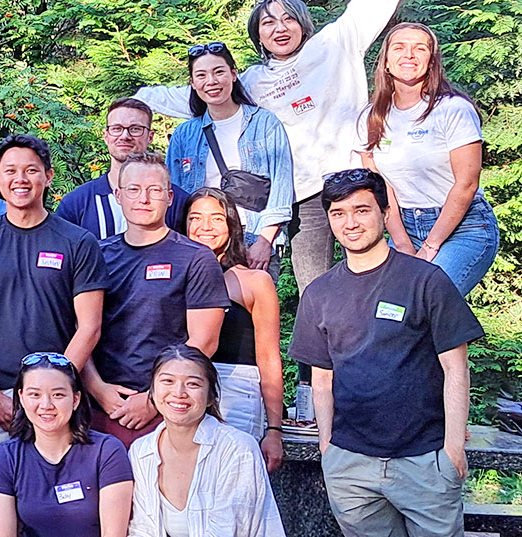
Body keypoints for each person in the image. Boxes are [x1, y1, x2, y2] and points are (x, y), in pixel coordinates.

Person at [136, 0, 404, 290]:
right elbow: (199, 95)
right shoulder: (254, 82)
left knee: (375, 273)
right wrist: (139, 100)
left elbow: (375, 7)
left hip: (352, 182)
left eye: (288, 19)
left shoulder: (336, 42)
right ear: (258, 35)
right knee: (314, 288)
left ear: (302, 23)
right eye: (268, 23)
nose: (280, 28)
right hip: (303, 197)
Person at [291, 169, 482, 536]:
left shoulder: (426, 280)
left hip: (424, 462)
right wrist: (329, 449)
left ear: (385, 212)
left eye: (361, 210)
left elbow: (456, 369)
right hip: (351, 467)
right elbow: (321, 379)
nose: (350, 223)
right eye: (338, 213)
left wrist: (453, 448)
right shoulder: (319, 293)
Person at [0, 135, 106, 444]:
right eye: (10, 170)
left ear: (48, 176)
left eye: (31, 170)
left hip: (57, 398)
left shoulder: (77, 242)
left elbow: (90, 326)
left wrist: (53, 389)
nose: (20, 179)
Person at [83, 152, 227, 446]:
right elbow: (79, 331)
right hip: (100, 407)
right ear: (118, 196)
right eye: (134, 190)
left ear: (170, 197)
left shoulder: (196, 258)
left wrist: (153, 399)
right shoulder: (94, 255)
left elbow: (205, 342)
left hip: (168, 410)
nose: (144, 199)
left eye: (154, 190)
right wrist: (97, 389)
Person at [358, 23, 499, 296]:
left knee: (427, 300)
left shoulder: (454, 110)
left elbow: (467, 184)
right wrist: (403, 245)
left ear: (431, 62)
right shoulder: (370, 118)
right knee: (381, 306)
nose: (409, 54)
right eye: (399, 48)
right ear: (386, 62)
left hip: (464, 227)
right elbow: (381, 189)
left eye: (419, 48)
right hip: (404, 226)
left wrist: (430, 246)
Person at [162, 43, 295, 274]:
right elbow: (172, 194)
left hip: (252, 236)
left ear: (233, 74)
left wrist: (265, 241)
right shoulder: (185, 134)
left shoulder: (264, 124)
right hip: (200, 240)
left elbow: (281, 186)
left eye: (219, 71)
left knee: (251, 308)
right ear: (192, 83)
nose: (211, 81)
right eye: (201, 75)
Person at [127, 346, 284, 537]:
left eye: (193, 384)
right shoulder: (141, 451)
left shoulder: (238, 449)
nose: (179, 392)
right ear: (151, 391)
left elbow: (229, 530)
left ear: (211, 397)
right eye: (167, 381)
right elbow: (141, 529)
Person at [183, 188, 286, 470]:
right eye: (196, 218)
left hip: (238, 393)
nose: (206, 227)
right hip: (180, 393)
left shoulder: (254, 281)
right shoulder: (172, 274)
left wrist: (274, 430)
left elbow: (268, 357)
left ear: (231, 225)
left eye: (217, 218)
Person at [0, 353, 134, 537]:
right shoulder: (4, 458)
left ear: (76, 399)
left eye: (58, 394)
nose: (46, 404)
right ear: (21, 398)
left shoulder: (107, 451)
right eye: (35, 395)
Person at [53, 99, 191, 239]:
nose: (125, 136)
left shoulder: (180, 203)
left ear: (150, 137)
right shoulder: (76, 204)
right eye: (116, 129)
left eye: (135, 129)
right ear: (106, 136)